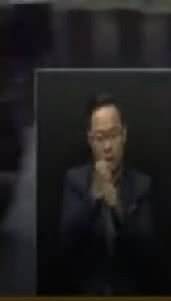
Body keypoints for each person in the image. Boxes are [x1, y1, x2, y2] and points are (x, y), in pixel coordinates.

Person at [57, 93, 160, 295]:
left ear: (124, 136)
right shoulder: (74, 181)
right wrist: (94, 197)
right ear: (90, 140)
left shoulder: (142, 185)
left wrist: (116, 206)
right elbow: (65, 243)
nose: (107, 147)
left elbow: (149, 251)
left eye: (113, 135)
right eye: (100, 138)